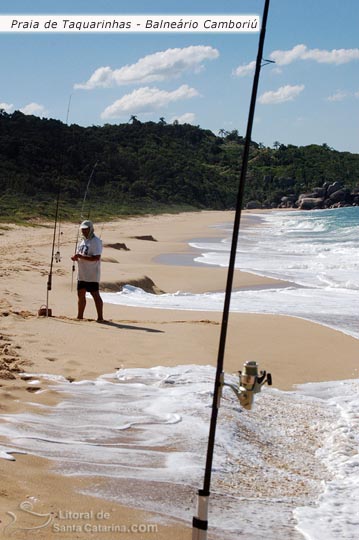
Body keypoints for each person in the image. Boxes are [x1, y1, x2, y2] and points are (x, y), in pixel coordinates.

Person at [71, 220, 104, 322]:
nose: (84, 231)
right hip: (82, 274)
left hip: (92, 274)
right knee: (80, 294)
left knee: (95, 295)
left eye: (86, 229)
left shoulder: (96, 241)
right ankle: (80, 316)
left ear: (91, 229)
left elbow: (96, 258)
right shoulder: (82, 241)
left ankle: (100, 318)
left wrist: (81, 256)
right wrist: (76, 257)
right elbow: (80, 254)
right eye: (83, 230)